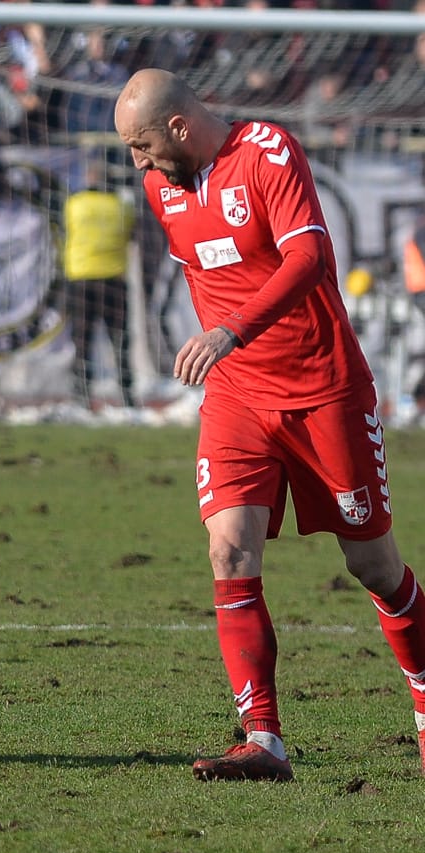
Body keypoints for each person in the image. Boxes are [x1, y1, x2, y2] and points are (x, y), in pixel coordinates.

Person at [114, 68, 425, 782]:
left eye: (142, 145)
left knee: (373, 567)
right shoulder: (162, 188)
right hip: (237, 399)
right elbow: (204, 272)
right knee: (229, 551)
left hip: (325, 395)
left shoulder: (267, 152)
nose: (139, 163)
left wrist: (232, 330)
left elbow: (311, 258)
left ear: (180, 128)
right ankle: (264, 740)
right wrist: (228, 353)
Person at [62, 157, 138, 409]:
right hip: (114, 279)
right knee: (120, 341)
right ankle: (127, 395)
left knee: (82, 341)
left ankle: (82, 394)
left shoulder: (74, 205)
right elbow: (131, 234)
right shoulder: (121, 206)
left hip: (81, 278)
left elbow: (67, 230)